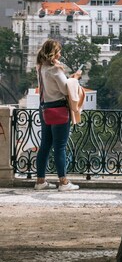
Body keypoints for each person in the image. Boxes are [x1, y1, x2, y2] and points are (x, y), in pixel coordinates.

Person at [34, 39, 84, 191]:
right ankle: (63, 182)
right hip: (59, 110)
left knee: (45, 146)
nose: (60, 54)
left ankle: (40, 181)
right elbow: (65, 89)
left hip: (44, 108)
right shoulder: (55, 70)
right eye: (58, 52)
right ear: (53, 53)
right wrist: (75, 78)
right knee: (60, 147)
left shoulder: (41, 67)